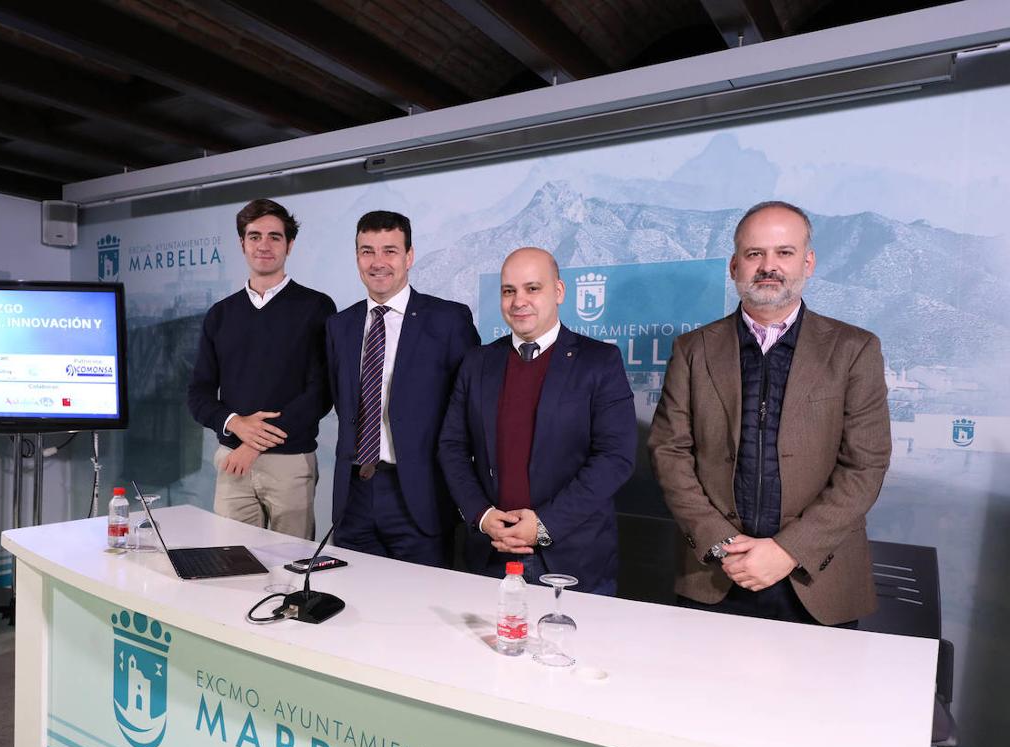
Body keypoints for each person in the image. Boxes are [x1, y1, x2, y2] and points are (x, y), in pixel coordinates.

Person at [648, 200, 892, 626]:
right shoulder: (693, 350)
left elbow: (865, 465)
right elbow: (669, 452)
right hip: (715, 573)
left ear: (808, 262)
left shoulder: (854, 349)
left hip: (817, 580)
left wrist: (788, 550)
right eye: (754, 253)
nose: (768, 266)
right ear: (734, 266)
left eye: (784, 252)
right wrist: (721, 543)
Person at [438, 247, 636, 594]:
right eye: (508, 291)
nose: (519, 301)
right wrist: (482, 515)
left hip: (573, 561)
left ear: (558, 291)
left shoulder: (599, 361)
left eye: (532, 288)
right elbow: (452, 446)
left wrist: (544, 524)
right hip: (491, 553)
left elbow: (615, 457)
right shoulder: (477, 363)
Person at [325, 211, 479, 567]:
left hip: (420, 496)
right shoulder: (339, 325)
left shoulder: (448, 320)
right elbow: (342, 400)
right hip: (354, 495)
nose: (377, 262)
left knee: (421, 598)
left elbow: (470, 409)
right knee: (353, 594)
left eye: (390, 251)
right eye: (367, 251)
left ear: (409, 256)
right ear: (357, 258)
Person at [188, 199, 335, 539]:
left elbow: (321, 393)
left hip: (290, 461)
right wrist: (235, 423)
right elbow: (199, 393)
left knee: (292, 561)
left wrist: (254, 444)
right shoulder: (220, 314)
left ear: (289, 245)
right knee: (231, 559)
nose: (264, 245)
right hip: (232, 462)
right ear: (242, 243)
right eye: (254, 236)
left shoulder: (316, 307)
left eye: (274, 237)